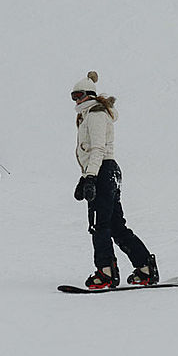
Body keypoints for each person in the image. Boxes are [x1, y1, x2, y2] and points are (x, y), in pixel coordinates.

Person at [72, 71, 158, 289]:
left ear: (89, 95)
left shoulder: (96, 114)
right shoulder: (88, 115)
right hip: (104, 171)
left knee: (100, 225)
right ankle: (144, 267)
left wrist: (90, 177)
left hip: (104, 171)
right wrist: (84, 179)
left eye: (79, 95)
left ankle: (106, 272)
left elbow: (98, 148)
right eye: (73, 96)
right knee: (116, 225)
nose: (76, 100)